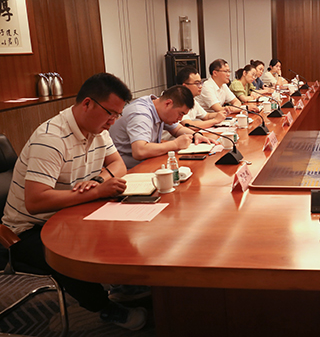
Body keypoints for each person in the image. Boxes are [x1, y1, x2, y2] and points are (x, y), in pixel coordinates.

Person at [1, 73, 148, 330]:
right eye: (110, 113)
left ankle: (122, 283)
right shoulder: (51, 139)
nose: (113, 122)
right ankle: (104, 307)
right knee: (71, 250)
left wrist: (99, 181)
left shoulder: (97, 130)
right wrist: (96, 193)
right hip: (28, 229)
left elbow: (118, 164)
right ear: (87, 103)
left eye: (117, 115)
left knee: (126, 222)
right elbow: (35, 201)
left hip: (68, 213)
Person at [109, 85, 215, 169]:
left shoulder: (159, 108)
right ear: (168, 103)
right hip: (129, 170)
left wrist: (196, 135)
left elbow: (178, 129)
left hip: (147, 163)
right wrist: (175, 144)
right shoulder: (141, 114)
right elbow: (140, 151)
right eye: (180, 114)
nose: (180, 118)